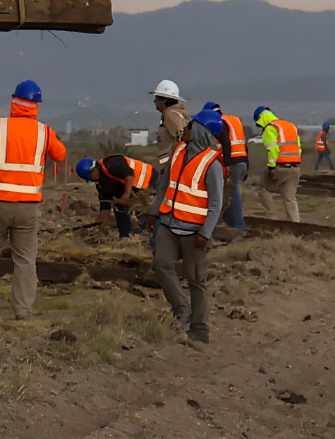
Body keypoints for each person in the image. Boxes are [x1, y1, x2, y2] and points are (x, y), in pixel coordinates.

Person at [0, 80, 68, 321]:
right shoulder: (44, 132)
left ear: (14, 101)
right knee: (25, 259)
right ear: (36, 105)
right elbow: (60, 154)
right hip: (28, 207)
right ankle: (23, 311)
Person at [146, 113, 226, 345]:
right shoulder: (179, 151)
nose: (185, 129)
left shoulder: (212, 164)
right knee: (161, 264)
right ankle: (182, 310)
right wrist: (154, 211)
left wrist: (206, 233)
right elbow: (164, 184)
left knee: (196, 279)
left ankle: (200, 329)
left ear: (201, 130)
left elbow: (215, 204)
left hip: (194, 232)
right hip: (169, 225)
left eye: (190, 126)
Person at [201, 101, 249, 239]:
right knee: (228, 193)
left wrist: (226, 165)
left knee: (232, 194)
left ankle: (238, 225)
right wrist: (247, 165)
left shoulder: (219, 122)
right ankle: (227, 220)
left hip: (231, 162)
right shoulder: (235, 121)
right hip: (241, 161)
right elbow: (244, 144)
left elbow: (226, 143)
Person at [77, 153, 153, 239]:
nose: (91, 180)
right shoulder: (101, 185)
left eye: (90, 177)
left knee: (144, 209)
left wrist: (126, 195)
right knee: (119, 206)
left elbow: (129, 176)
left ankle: (148, 234)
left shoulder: (111, 163)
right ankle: (125, 237)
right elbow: (105, 203)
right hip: (134, 189)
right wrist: (103, 221)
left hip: (149, 181)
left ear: (93, 170)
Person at [254, 107, 304, 222]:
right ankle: (295, 224)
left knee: (262, 188)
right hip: (295, 167)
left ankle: (272, 216)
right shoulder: (290, 126)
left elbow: (273, 149)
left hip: (280, 166)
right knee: (290, 198)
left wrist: (271, 167)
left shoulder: (270, 128)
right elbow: (299, 147)